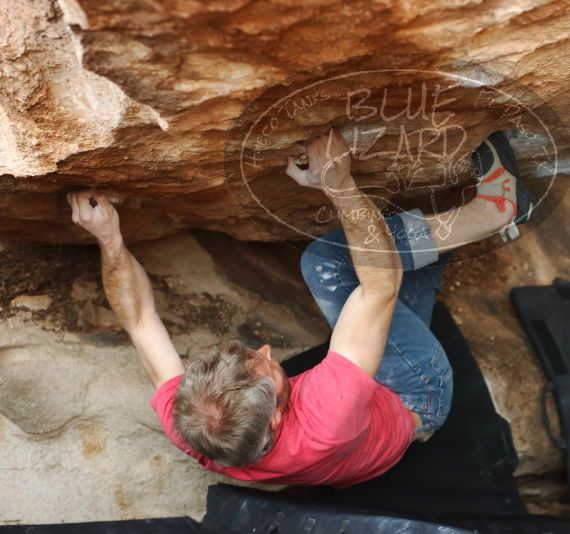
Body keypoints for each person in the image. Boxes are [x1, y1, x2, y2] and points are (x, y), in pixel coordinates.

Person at [67, 128, 534, 487]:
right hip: (416, 397)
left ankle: (455, 229)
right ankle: (498, 211)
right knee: (330, 263)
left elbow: (140, 322)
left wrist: (108, 239)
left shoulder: (196, 425)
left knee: (400, 263)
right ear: (273, 418)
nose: (267, 349)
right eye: (267, 367)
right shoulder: (328, 412)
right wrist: (338, 183)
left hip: (356, 455)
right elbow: (379, 287)